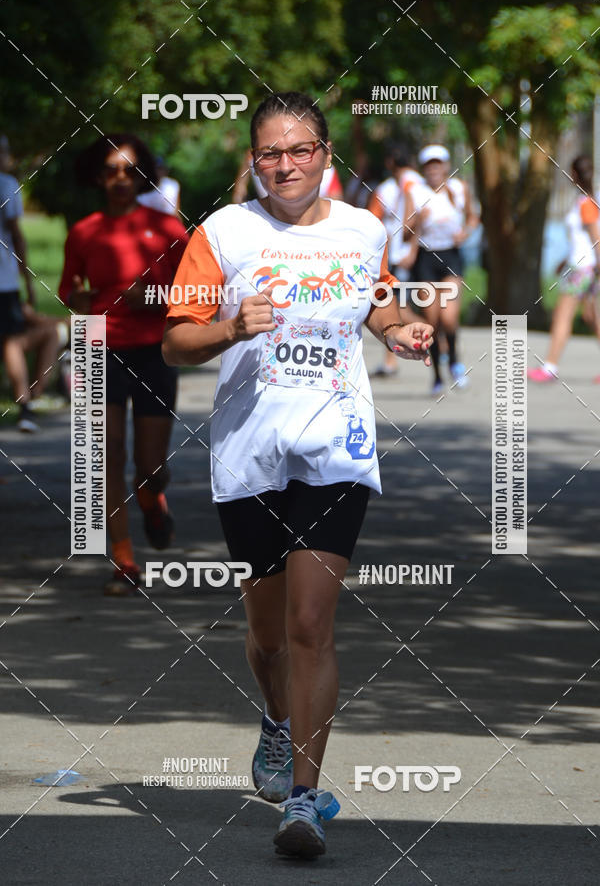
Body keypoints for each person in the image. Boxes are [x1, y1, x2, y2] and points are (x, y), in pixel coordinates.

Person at [162, 91, 433, 859]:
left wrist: (400, 326)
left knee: (312, 625)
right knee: (268, 635)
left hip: (335, 448)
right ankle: (276, 724)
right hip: (249, 453)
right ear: (254, 159)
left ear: (325, 155)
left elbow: (373, 303)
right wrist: (224, 328)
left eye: (301, 149)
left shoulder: (362, 229)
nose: (286, 164)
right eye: (271, 152)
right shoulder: (224, 231)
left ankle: (304, 802)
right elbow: (175, 342)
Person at [58, 134, 189, 594]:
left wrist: (150, 297)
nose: (120, 179)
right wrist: (76, 299)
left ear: (143, 176)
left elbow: (196, 296)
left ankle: (153, 500)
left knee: (149, 464)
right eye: (112, 170)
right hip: (98, 345)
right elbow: (68, 291)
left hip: (155, 349)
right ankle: (124, 560)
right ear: (99, 177)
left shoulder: (168, 229)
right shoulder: (84, 231)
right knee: (106, 453)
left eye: (130, 171)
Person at [404, 144, 479, 394]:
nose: (434, 169)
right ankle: (436, 376)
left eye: (438, 164)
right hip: (426, 258)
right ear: (424, 169)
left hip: (450, 256)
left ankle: (455, 362)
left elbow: (472, 217)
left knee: (449, 317)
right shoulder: (415, 192)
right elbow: (404, 233)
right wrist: (418, 220)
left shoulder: (459, 188)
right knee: (432, 321)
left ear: (446, 166)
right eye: (429, 165)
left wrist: (465, 233)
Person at [0, 136, 60, 432]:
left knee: (31, 332)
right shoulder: (6, 183)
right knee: (11, 339)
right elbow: (16, 234)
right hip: (4, 277)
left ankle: (31, 399)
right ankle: (25, 404)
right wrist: (28, 278)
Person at [528, 155, 600, 383]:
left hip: (582, 268)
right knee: (592, 316)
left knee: (562, 315)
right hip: (581, 265)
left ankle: (549, 367)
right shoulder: (585, 200)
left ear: (575, 174)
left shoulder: (586, 203)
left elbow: (596, 239)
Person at [368, 146, 423, 375]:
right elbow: (374, 217)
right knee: (395, 303)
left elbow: (416, 217)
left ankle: (434, 337)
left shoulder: (410, 183)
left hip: (405, 254)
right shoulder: (391, 187)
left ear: (391, 161)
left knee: (396, 304)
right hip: (398, 253)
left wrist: (411, 247)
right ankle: (391, 358)